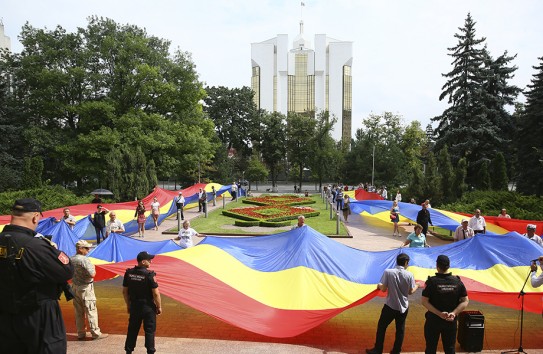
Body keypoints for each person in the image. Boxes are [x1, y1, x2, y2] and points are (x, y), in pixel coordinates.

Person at [0, 198, 74, 354]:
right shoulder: (36, 246)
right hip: (38, 315)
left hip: (5, 315)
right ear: (35, 217)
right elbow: (66, 270)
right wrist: (53, 249)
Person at [366, 253, 420, 354]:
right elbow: (411, 292)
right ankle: (396, 351)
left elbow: (383, 288)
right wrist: (417, 285)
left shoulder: (388, 272)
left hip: (390, 306)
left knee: (382, 327)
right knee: (400, 329)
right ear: (406, 262)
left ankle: (378, 349)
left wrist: (378, 285)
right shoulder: (409, 275)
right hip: (403, 307)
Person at [422, 255, 469, 354]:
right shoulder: (457, 281)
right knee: (450, 349)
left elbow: (424, 301)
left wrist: (439, 313)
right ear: (448, 266)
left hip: (433, 321)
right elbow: (465, 301)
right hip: (450, 321)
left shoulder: (431, 282)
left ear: (437, 266)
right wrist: (454, 313)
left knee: (430, 348)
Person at [123, 251, 162, 354]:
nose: (151, 262)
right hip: (148, 306)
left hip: (135, 305)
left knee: (132, 329)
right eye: (149, 260)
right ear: (143, 262)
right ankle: (150, 351)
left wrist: (128, 305)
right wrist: (159, 307)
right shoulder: (149, 275)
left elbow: (125, 292)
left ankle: (128, 350)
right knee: (149, 330)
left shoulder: (128, 273)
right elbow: (156, 294)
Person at [71, 240, 108, 341]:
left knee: (78, 312)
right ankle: (95, 333)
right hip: (86, 288)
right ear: (80, 249)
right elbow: (92, 274)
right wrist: (93, 267)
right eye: (86, 248)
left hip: (75, 287)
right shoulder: (84, 260)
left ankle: (81, 333)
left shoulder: (71, 259)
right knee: (91, 310)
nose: (88, 250)